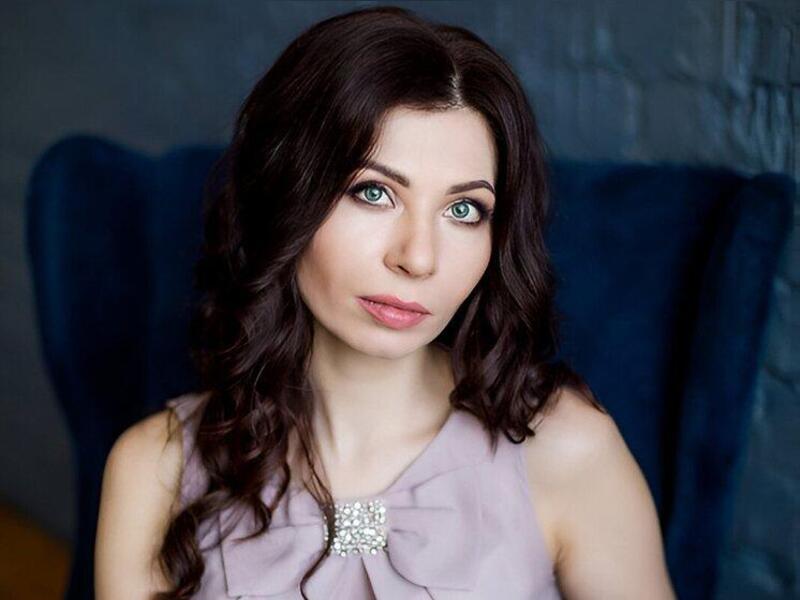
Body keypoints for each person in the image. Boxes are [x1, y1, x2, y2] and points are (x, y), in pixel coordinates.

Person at [95, 5, 676, 599]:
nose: (418, 258)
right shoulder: (154, 469)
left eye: (463, 210)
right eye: (373, 192)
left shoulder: (567, 450)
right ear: (285, 198)